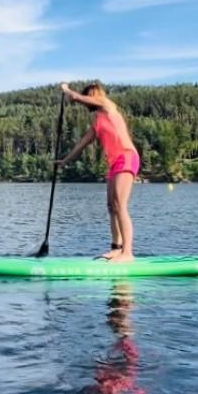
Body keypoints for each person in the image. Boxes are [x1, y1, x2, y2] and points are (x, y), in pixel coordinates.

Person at [57, 82, 140, 262]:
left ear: (94, 95)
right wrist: (65, 161)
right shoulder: (98, 123)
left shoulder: (108, 106)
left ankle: (128, 253)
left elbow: (77, 97)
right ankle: (116, 248)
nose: (87, 102)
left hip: (126, 157)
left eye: (88, 96)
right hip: (114, 164)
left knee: (120, 205)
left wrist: (67, 90)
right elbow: (81, 145)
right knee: (111, 207)